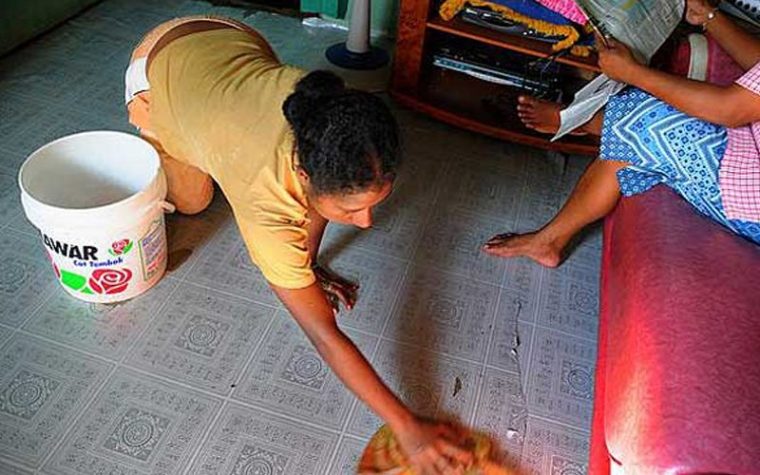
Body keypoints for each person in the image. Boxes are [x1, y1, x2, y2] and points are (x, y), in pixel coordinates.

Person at [125, 16, 472, 475]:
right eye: (351, 212)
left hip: (230, 36)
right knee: (193, 200)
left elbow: (317, 205)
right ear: (302, 176)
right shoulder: (265, 205)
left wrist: (305, 265)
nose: (365, 224)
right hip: (157, 62)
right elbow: (324, 336)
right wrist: (405, 426)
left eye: (372, 206)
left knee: (311, 202)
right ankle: (151, 134)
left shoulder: (323, 106)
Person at [483, 0, 760, 265]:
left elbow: (730, 109)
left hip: (751, 201)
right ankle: (585, 125)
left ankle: (582, 123)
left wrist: (632, 72)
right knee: (638, 130)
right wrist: (707, 15)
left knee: (648, 121)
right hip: (748, 142)